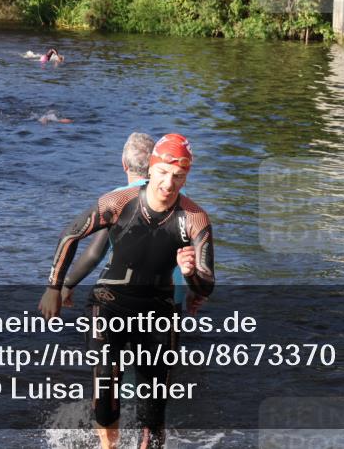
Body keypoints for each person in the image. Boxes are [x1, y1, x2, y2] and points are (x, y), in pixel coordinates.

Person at [39, 133, 214, 449]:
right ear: (151, 169)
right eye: (162, 173)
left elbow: (207, 283)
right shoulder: (119, 203)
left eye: (178, 176)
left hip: (159, 311)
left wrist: (191, 275)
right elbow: (70, 235)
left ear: (186, 176)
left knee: (154, 407)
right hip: (109, 303)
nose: (168, 183)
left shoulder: (195, 218)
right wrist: (55, 287)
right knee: (106, 380)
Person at [61, 133, 195, 313]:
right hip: (171, 295)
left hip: (124, 297)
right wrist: (196, 290)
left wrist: (66, 286)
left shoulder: (119, 199)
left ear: (124, 164)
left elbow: (95, 253)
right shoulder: (179, 195)